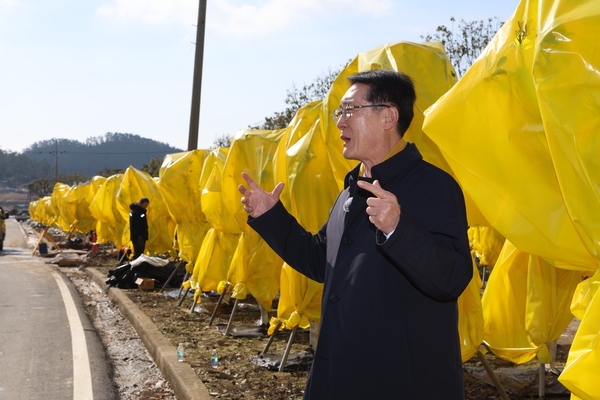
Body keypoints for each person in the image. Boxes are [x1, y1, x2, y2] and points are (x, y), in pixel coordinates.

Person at [238, 69, 473, 399]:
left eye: (350, 110)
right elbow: (321, 260)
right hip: (337, 375)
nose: (340, 123)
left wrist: (398, 229)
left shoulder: (434, 187)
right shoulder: (350, 192)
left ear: (389, 116)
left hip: (401, 383)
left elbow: (452, 278)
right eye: (340, 112)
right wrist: (271, 217)